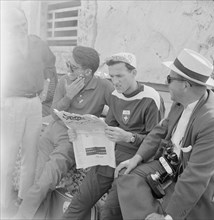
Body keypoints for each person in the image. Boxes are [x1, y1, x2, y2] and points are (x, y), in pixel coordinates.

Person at [115, 48, 214, 220]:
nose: (166, 82)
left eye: (169, 79)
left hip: (191, 175)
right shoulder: (180, 102)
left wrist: (169, 217)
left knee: (187, 210)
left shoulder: (212, 121)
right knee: (126, 177)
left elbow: (195, 176)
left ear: (185, 85)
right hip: (168, 165)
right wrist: (137, 158)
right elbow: (160, 130)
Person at [14, 46, 114, 219]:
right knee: (37, 183)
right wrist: (68, 96)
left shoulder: (103, 86)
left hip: (70, 140)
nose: (68, 70)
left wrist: (100, 124)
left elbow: (117, 112)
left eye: (73, 67)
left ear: (88, 72)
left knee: (44, 183)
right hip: (50, 134)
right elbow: (53, 113)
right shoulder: (64, 82)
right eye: (68, 64)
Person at [63, 52, 165, 220]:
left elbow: (156, 141)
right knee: (79, 202)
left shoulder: (151, 98)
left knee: (108, 212)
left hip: (132, 163)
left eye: (120, 76)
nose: (115, 81)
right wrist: (79, 133)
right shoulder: (115, 95)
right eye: (112, 77)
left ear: (134, 73)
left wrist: (130, 137)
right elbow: (106, 129)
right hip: (108, 157)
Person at [1, 7, 56, 217]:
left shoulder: (36, 43)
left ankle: (24, 198)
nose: (21, 29)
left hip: (34, 102)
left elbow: (51, 66)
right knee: (7, 154)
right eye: (15, 26)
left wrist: (48, 94)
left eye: (23, 24)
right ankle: (4, 201)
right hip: (9, 103)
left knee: (31, 153)